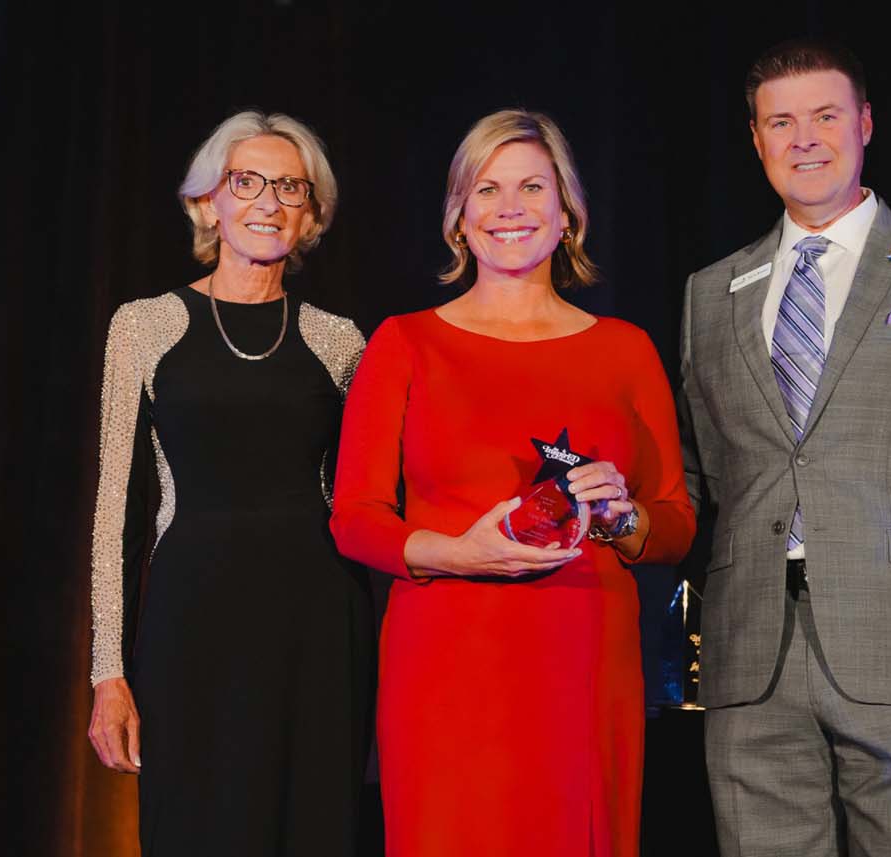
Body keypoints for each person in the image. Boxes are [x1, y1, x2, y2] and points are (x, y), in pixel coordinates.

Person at [679, 39, 891, 855]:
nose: (804, 138)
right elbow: (701, 478)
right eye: (781, 121)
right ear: (756, 140)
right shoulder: (709, 292)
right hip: (750, 667)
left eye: (825, 115)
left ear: (865, 123)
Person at [330, 109, 694, 857]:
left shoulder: (625, 349)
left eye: (533, 186)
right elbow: (356, 517)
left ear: (568, 215)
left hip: (584, 660)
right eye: (487, 189)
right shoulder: (405, 342)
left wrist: (621, 518)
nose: (510, 207)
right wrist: (461, 553)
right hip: (447, 660)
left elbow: (674, 525)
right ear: (459, 216)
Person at [85, 110, 372, 855]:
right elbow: (116, 507)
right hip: (193, 626)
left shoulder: (341, 339)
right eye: (247, 181)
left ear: (312, 214)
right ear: (207, 201)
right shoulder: (144, 325)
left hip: (316, 630)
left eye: (290, 187)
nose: (269, 202)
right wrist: (107, 672)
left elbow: (366, 501)